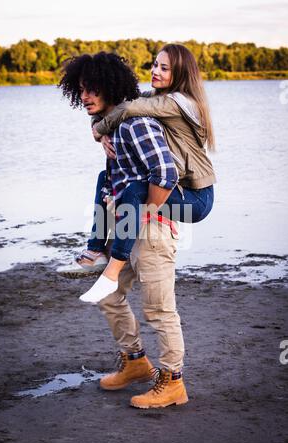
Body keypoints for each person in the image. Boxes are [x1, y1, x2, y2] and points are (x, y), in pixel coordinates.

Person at [58, 50, 198, 408]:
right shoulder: (113, 127)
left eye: (92, 89)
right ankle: (135, 362)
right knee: (108, 293)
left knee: (159, 309)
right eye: (81, 89)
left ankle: (173, 382)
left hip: (151, 230)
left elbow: (164, 173)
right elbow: (121, 180)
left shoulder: (136, 123)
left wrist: (146, 213)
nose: (85, 96)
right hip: (127, 228)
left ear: (110, 87)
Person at [58, 44, 216, 305]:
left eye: (165, 68)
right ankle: (96, 249)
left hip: (196, 201)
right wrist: (99, 130)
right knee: (104, 178)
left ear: (181, 74)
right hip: (181, 191)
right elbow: (116, 102)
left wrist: (98, 131)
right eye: (155, 64)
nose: (156, 71)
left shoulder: (176, 102)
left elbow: (127, 109)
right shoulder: (155, 98)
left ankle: (112, 271)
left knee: (134, 190)